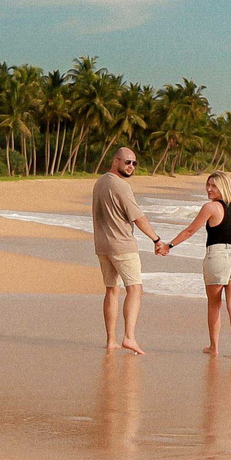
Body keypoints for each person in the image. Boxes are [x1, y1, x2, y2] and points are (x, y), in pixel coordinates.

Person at [161, 169, 231, 358]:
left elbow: (190, 230)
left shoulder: (210, 207)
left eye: (213, 186)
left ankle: (214, 347)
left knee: (214, 304)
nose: (208, 189)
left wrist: (170, 245)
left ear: (222, 187)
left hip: (217, 255)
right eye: (208, 185)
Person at [90, 145, 163, 353]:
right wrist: (156, 239)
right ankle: (129, 337)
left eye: (134, 163)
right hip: (122, 245)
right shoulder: (121, 186)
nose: (131, 166)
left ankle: (111, 340)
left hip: (102, 245)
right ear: (116, 161)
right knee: (135, 289)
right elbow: (138, 217)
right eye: (127, 162)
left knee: (112, 290)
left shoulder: (100, 182)